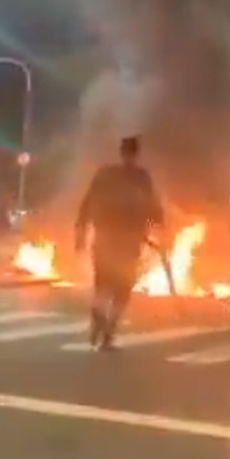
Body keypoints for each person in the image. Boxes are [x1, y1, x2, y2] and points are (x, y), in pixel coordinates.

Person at [75, 136, 163, 351]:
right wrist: (159, 227)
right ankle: (108, 333)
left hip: (103, 237)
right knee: (122, 290)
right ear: (136, 153)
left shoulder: (105, 174)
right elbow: (153, 208)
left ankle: (98, 314)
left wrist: (81, 233)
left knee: (102, 284)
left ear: (121, 151)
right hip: (128, 241)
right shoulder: (141, 178)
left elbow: (87, 203)